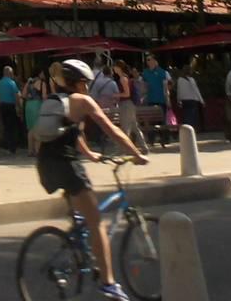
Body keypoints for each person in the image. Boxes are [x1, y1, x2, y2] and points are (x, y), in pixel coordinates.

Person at [32, 60, 149, 301]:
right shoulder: (83, 101)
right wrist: (136, 154)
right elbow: (112, 130)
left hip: (46, 165)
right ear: (80, 82)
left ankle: (76, 247)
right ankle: (108, 283)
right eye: (86, 82)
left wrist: (89, 154)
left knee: (81, 218)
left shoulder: (54, 101)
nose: (87, 87)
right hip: (67, 165)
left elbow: (69, 133)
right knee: (96, 222)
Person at [114, 62, 148, 150]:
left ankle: (126, 149)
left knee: (125, 127)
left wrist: (116, 95)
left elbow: (127, 93)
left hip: (126, 104)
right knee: (134, 127)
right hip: (130, 104)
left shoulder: (122, 78)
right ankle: (144, 147)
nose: (113, 69)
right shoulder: (126, 77)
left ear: (119, 67)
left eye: (114, 67)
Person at [0, 66, 23, 154]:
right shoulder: (12, 83)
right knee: (13, 127)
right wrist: (18, 107)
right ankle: (13, 147)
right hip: (11, 106)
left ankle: (7, 145)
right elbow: (16, 96)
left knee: (6, 127)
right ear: (9, 73)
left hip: (2, 106)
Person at [174, 63, 205, 134]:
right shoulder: (191, 80)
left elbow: (179, 90)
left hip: (184, 100)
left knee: (186, 115)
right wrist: (201, 100)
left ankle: (186, 129)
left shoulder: (180, 80)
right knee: (192, 116)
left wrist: (178, 100)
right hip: (192, 99)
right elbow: (196, 90)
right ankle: (191, 130)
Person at [24, 69, 48, 157]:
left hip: (29, 105)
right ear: (39, 74)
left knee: (30, 129)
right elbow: (44, 96)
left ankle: (30, 150)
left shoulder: (29, 83)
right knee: (38, 128)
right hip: (37, 105)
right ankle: (38, 150)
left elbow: (23, 95)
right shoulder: (42, 83)